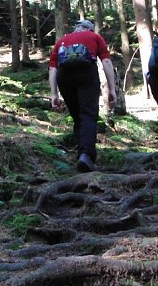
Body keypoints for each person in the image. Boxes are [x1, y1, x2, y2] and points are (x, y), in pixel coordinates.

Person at [49, 20, 117, 172]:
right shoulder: (95, 37)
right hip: (87, 74)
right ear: (89, 29)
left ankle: (81, 154)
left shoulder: (62, 41)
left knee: (77, 117)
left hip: (64, 77)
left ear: (76, 28)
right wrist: (112, 89)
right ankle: (86, 155)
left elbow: (53, 69)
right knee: (88, 115)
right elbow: (105, 60)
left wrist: (54, 93)